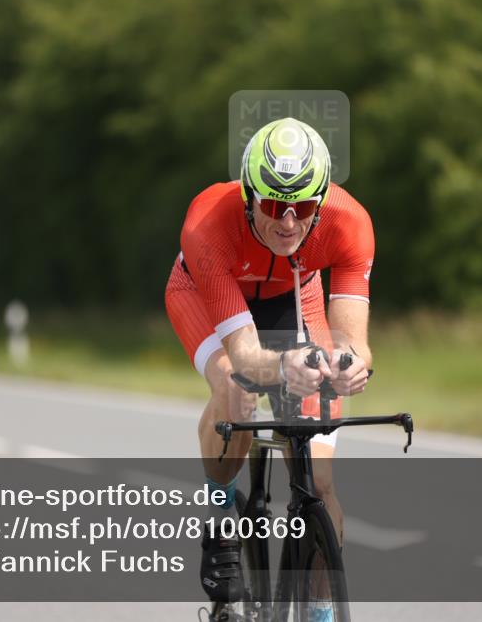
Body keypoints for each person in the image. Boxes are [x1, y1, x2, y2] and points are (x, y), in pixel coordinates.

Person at [165, 118, 374, 611]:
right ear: (248, 197)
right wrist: (284, 367)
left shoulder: (350, 223)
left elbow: (354, 344)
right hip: (207, 292)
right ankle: (220, 514)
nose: (287, 223)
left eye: (302, 209)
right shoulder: (207, 222)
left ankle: (321, 613)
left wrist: (347, 366)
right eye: (274, 206)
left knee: (319, 486)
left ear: (320, 201)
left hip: (294, 296)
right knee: (235, 388)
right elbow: (246, 358)